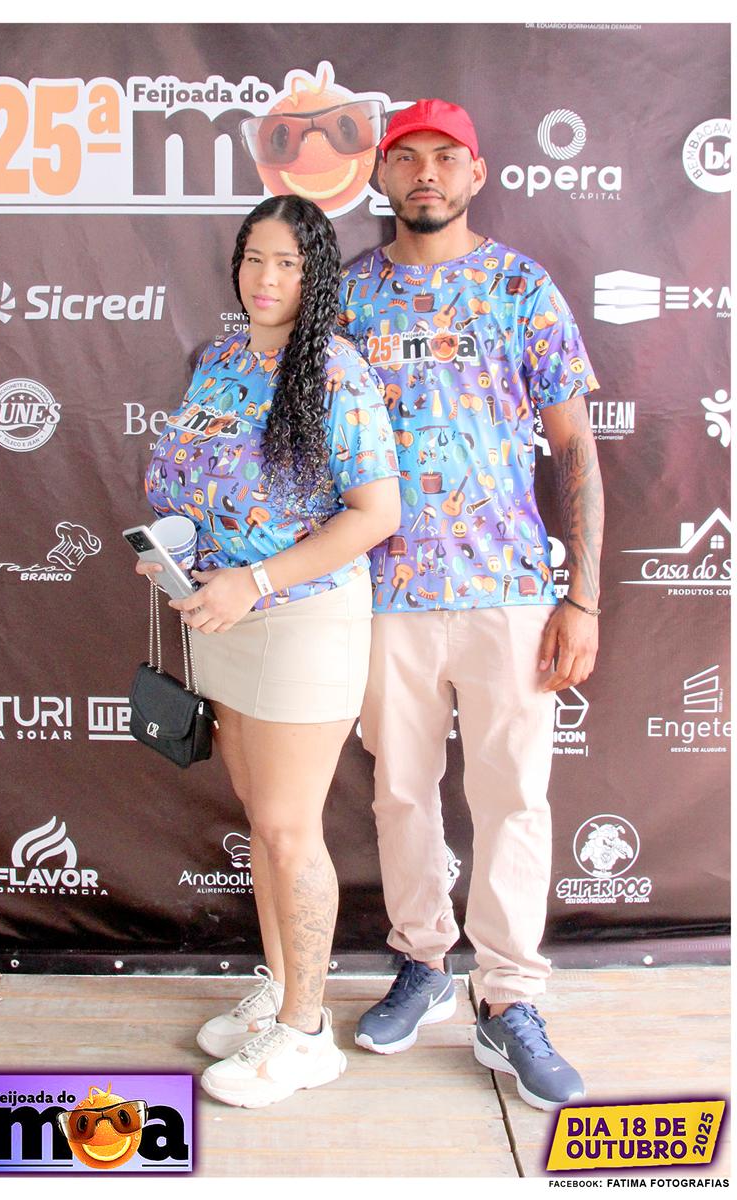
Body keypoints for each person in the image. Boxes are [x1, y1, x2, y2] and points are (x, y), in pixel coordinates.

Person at [338, 99, 604, 1111]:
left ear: (476, 173)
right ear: (381, 174)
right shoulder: (348, 296)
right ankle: (421, 962)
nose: (426, 174)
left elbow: (574, 448)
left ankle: (510, 998)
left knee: (513, 799)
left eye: (445, 158)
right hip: (383, 592)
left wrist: (582, 597)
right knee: (401, 792)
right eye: (406, 158)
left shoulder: (521, 286)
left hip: (508, 592)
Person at [137, 194, 401, 1108]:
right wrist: (173, 552)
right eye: (254, 257)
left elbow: (376, 514)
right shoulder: (218, 362)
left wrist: (253, 580)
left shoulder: (334, 371)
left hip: (300, 619)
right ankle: (282, 990)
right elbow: (195, 480)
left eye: (288, 261)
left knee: (290, 828)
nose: (266, 277)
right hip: (220, 616)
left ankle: (306, 1032)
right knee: (262, 820)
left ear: (314, 274)